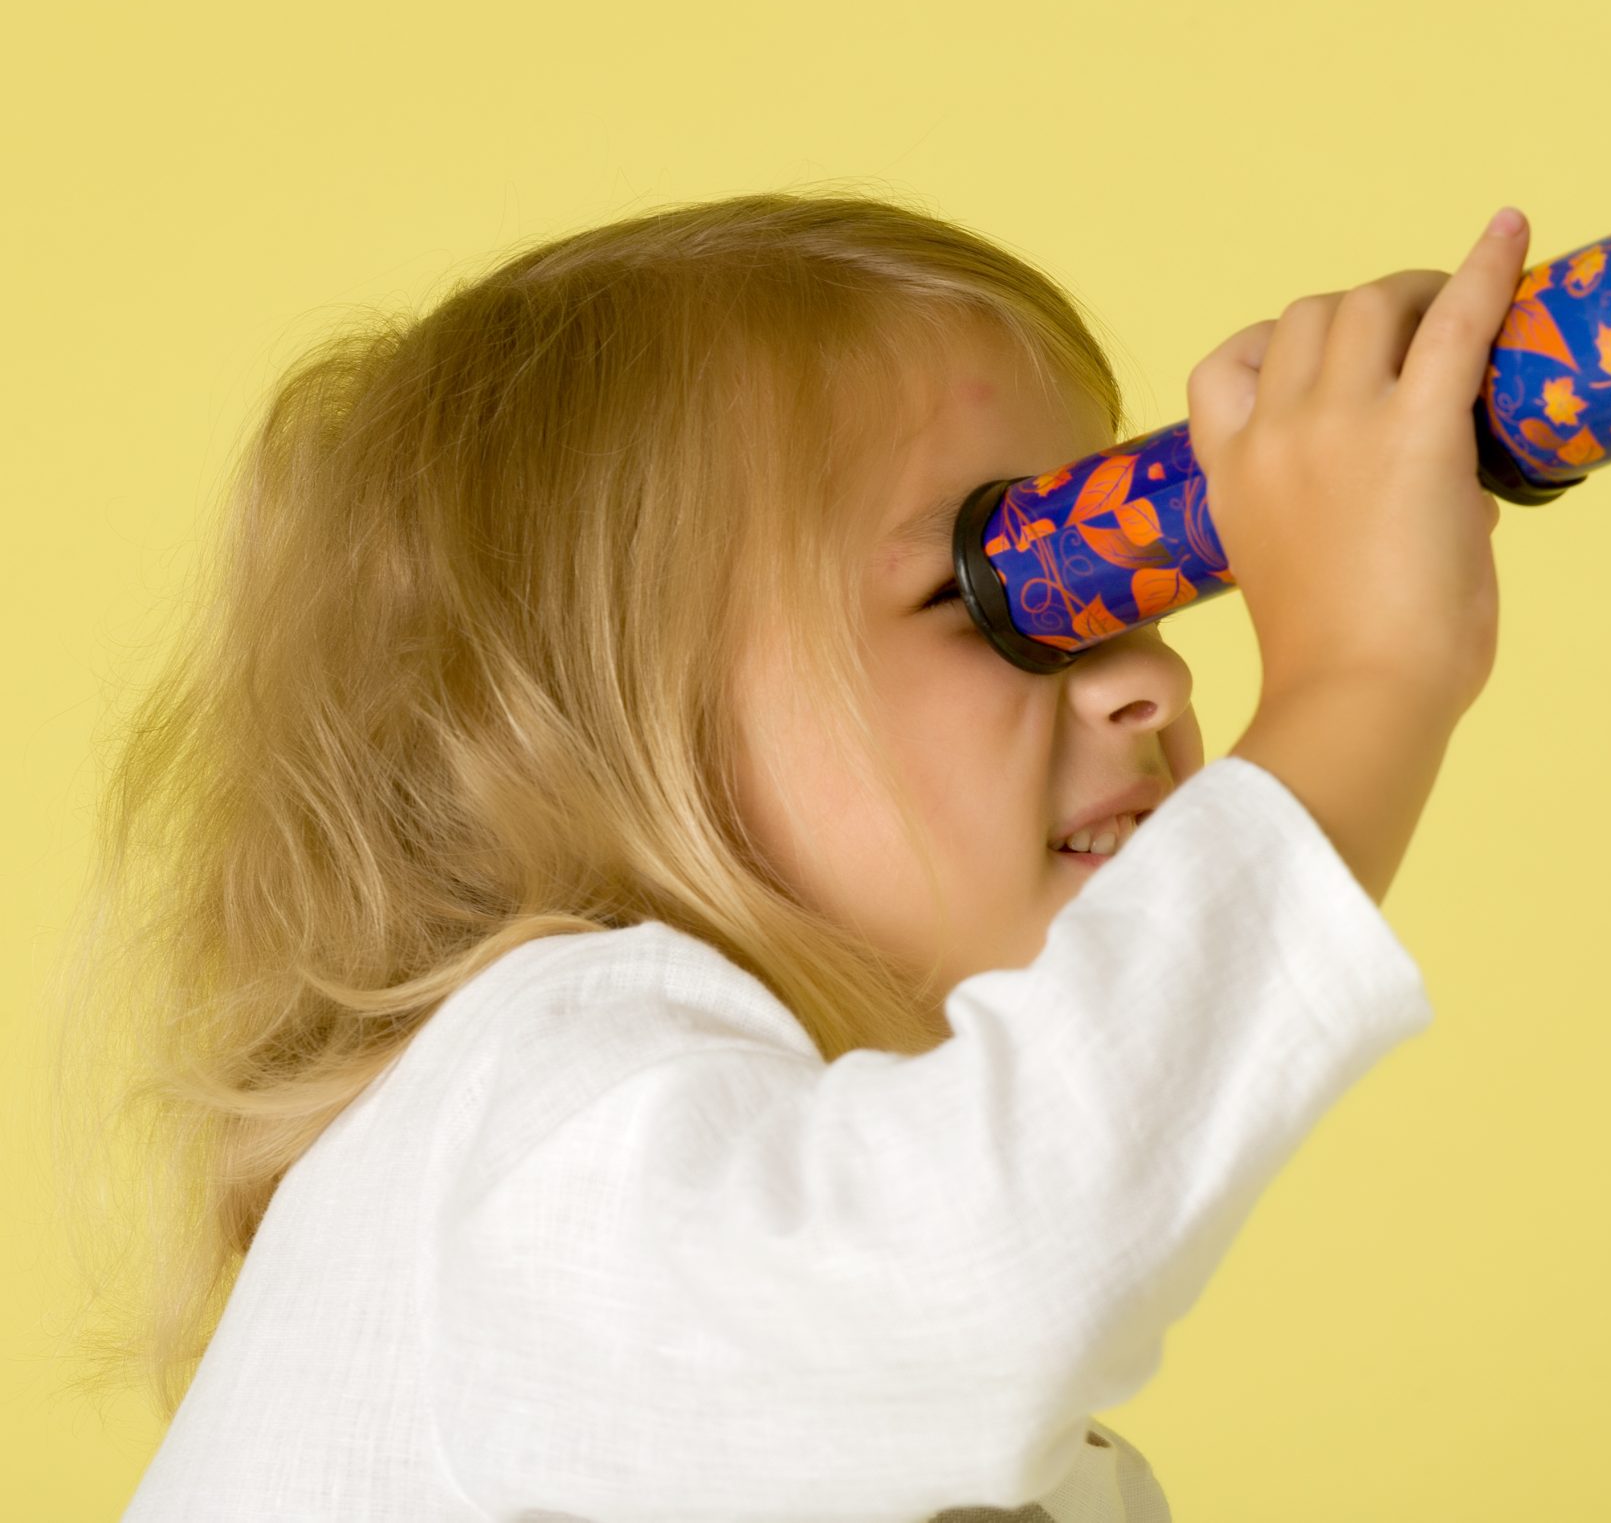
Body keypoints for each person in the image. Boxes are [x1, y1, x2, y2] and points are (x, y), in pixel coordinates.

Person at [57, 186, 1530, 1520]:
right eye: (1011, 594)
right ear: (603, 723)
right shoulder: (522, 1117)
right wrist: (1363, 676)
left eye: (1132, 590)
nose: (1153, 679)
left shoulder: (824, 1326)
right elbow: (981, 1282)